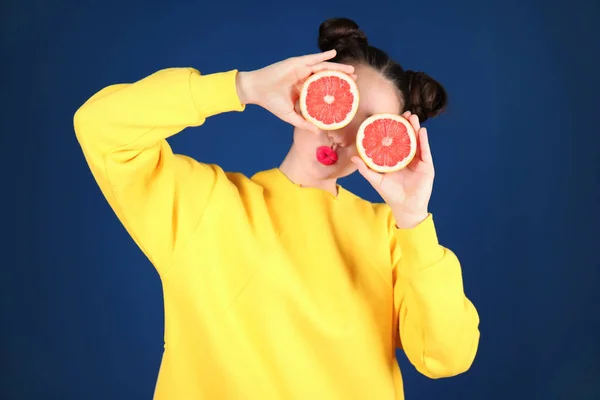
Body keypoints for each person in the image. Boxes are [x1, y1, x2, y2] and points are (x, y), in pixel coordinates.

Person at [74, 17, 479, 400]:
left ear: (387, 147)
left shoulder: (394, 236)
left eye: (369, 127)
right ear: (307, 92)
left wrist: (413, 219)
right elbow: (100, 127)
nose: (340, 135)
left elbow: (445, 357)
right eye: (338, 104)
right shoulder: (204, 201)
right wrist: (241, 88)